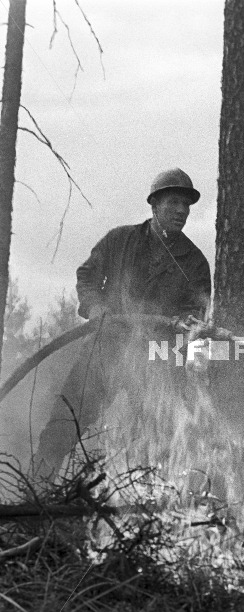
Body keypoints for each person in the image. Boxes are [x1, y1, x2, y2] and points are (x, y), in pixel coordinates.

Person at [35, 168, 211, 480]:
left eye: (186, 205)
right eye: (174, 202)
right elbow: (87, 275)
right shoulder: (120, 240)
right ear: (154, 204)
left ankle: (160, 506)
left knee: (160, 437)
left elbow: (196, 313)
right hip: (106, 349)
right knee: (65, 422)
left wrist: (186, 325)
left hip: (157, 359)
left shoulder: (194, 262)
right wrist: (95, 305)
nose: (182, 211)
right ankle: (35, 492)